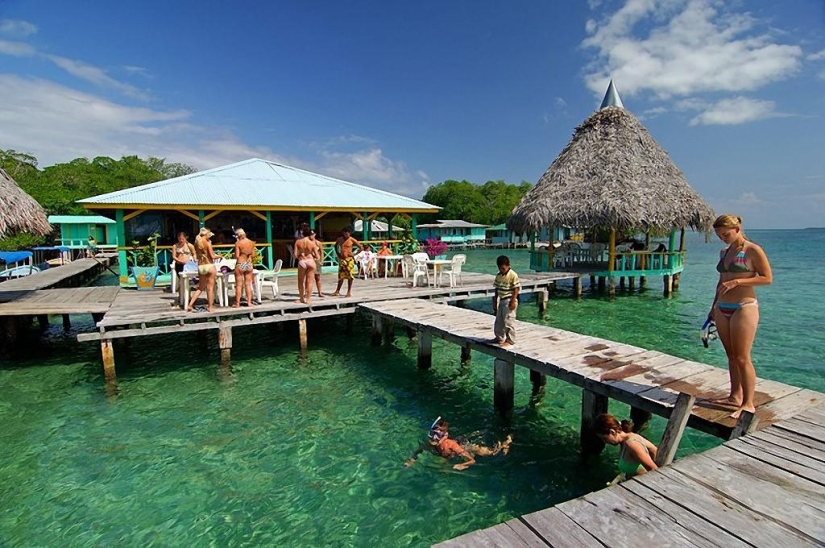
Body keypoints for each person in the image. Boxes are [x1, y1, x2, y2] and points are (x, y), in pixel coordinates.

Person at [708, 214, 773, 419]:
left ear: (737, 228)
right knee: (731, 356)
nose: (723, 238)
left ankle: (748, 403)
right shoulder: (724, 252)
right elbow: (721, 282)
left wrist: (738, 282)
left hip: (744, 306)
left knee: (743, 357)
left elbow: (767, 278)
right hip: (722, 307)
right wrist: (713, 306)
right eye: (719, 235)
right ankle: (734, 396)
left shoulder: (753, 250)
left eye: (726, 234)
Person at [404, 417, 512, 471]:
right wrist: (411, 460)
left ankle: (507, 441)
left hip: (465, 447)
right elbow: (419, 449)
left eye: (437, 436)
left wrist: (462, 465)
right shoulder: (430, 443)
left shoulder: (452, 445)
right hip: (453, 450)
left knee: (493, 452)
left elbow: (472, 461)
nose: (434, 439)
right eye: (432, 435)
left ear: (445, 436)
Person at [593, 413, 658, 481]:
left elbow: (654, 470)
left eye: (604, 438)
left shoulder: (632, 444)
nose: (604, 442)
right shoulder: (624, 442)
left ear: (612, 432)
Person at [187, 227, 219, 312]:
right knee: (210, 288)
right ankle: (210, 307)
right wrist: (220, 256)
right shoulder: (207, 243)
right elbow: (212, 256)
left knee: (200, 288)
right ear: (206, 234)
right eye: (209, 234)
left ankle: (190, 305)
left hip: (201, 266)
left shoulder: (197, 243)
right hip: (209, 265)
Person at [491, 255, 520, 347]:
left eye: (503, 268)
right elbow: (496, 289)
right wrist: (495, 300)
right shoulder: (498, 275)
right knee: (499, 320)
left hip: (509, 300)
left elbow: (516, 289)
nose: (501, 270)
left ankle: (510, 340)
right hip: (502, 300)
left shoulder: (513, 275)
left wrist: (513, 301)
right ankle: (499, 337)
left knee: (509, 321)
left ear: (508, 266)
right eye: (500, 268)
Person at [332, 226, 360, 297]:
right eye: (346, 233)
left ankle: (349, 291)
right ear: (343, 233)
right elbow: (335, 246)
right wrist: (338, 253)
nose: (347, 234)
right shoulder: (339, 239)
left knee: (350, 276)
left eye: (348, 233)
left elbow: (361, 247)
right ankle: (337, 290)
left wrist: (354, 254)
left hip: (349, 259)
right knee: (341, 276)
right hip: (342, 259)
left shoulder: (352, 240)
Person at [232, 228, 257, 307]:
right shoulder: (251, 242)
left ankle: (237, 303)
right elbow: (253, 255)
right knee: (248, 284)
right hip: (249, 264)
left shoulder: (238, 243)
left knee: (239, 285)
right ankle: (249, 302)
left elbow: (237, 256)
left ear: (238, 235)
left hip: (240, 263)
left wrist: (233, 254)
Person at [294, 223, 317, 304]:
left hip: (302, 261)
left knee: (300, 281)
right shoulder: (312, 243)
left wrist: (300, 255)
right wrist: (312, 256)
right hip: (310, 261)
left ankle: (301, 298)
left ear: (302, 234)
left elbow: (295, 255)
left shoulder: (298, 242)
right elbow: (317, 256)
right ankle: (308, 299)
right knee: (310, 281)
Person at [310, 230, 325, 298]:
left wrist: (322, 261)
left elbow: (322, 252)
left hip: (317, 261)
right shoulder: (307, 242)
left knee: (317, 277)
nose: (311, 235)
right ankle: (308, 292)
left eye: (312, 234)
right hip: (310, 261)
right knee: (309, 278)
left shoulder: (318, 243)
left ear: (315, 234)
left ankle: (320, 292)